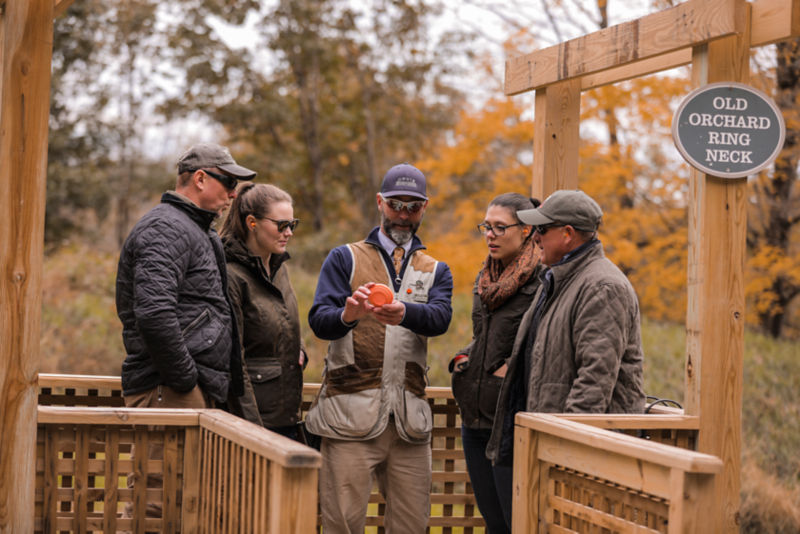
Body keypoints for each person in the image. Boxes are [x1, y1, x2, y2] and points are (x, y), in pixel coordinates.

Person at [306, 163, 453, 534]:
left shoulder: (437, 269)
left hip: (409, 425)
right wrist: (349, 314)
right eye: (395, 205)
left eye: (413, 207)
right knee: (341, 525)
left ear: (425, 207)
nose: (403, 215)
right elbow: (319, 320)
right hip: (348, 418)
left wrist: (405, 312)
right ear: (380, 203)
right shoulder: (344, 257)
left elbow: (441, 319)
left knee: (412, 527)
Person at [115, 142, 255, 523]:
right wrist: (185, 381)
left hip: (184, 389)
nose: (233, 194)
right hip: (170, 390)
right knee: (156, 507)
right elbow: (154, 313)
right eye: (228, 183)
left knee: (184, 506)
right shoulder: (166, 227)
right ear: (199, 178)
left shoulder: (192, 229)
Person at [487, 189, 646, 468]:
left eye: (543, 229)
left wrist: (565, 451)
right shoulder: (558, 279)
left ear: (568, 234)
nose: (535, 237)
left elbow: (594, 381)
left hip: (581, 455)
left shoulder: (602, 287)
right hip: (549, 443)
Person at [449, 193, 542, 534]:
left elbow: (546, 348)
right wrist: (464, 358)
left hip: (512, 423)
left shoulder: (543, 282)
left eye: (500, 227)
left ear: (528, 230)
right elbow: (486, 337)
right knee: (494, 525)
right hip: (474, 418)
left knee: (515, 524)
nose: (490, 234)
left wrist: (513, 369)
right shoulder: (486, 278)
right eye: (486, 226)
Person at [220, 183, 308, 441]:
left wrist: (299, 348)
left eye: (293, 224)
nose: (289, 232)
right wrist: (252, 431)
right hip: (253, 423)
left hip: (287, 415)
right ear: (252, 222)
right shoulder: (231, 275)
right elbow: (235, 361)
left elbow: (283, 320)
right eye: (281, 225)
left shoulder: (280, 268)